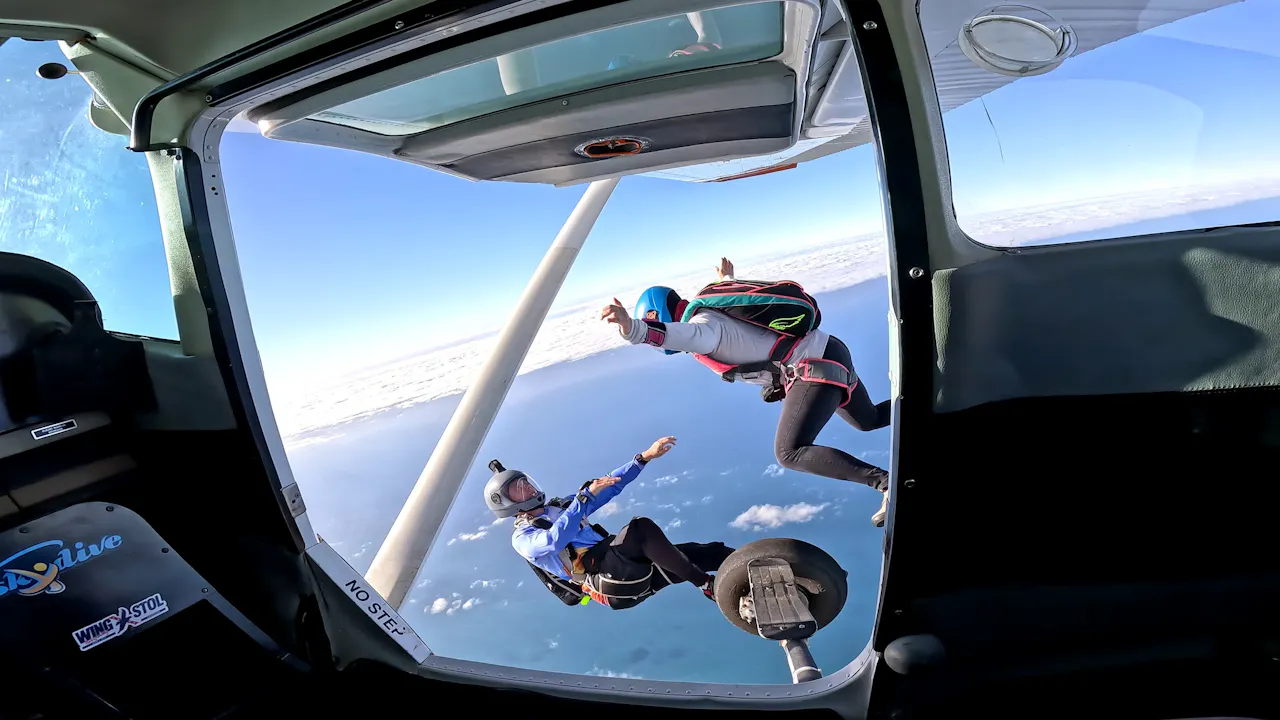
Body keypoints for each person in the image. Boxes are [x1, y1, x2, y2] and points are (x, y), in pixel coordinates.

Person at [600, 258, 893, 527]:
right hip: (829, 349)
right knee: (869, 419)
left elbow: (676, 335)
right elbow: (743, 313)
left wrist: (633, 329)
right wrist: (727, 277)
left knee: (788, 452)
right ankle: (935, 404)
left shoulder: (700, 327)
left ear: (656, 314)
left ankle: (885, 483)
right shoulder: (714, 309)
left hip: (814, 366)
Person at [485, 436, 735, 610]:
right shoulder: (523, 537)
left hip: (626, 568)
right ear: (506, 503)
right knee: (640, 529)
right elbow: (552, 541)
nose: (527, 486)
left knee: (712, 553)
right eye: (517, 488)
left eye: (524, 481)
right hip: (606, 578)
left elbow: (609, 486)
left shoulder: (562, 507)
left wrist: (643, 458)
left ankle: (755, 584)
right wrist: (583, 499)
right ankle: (706, 585)